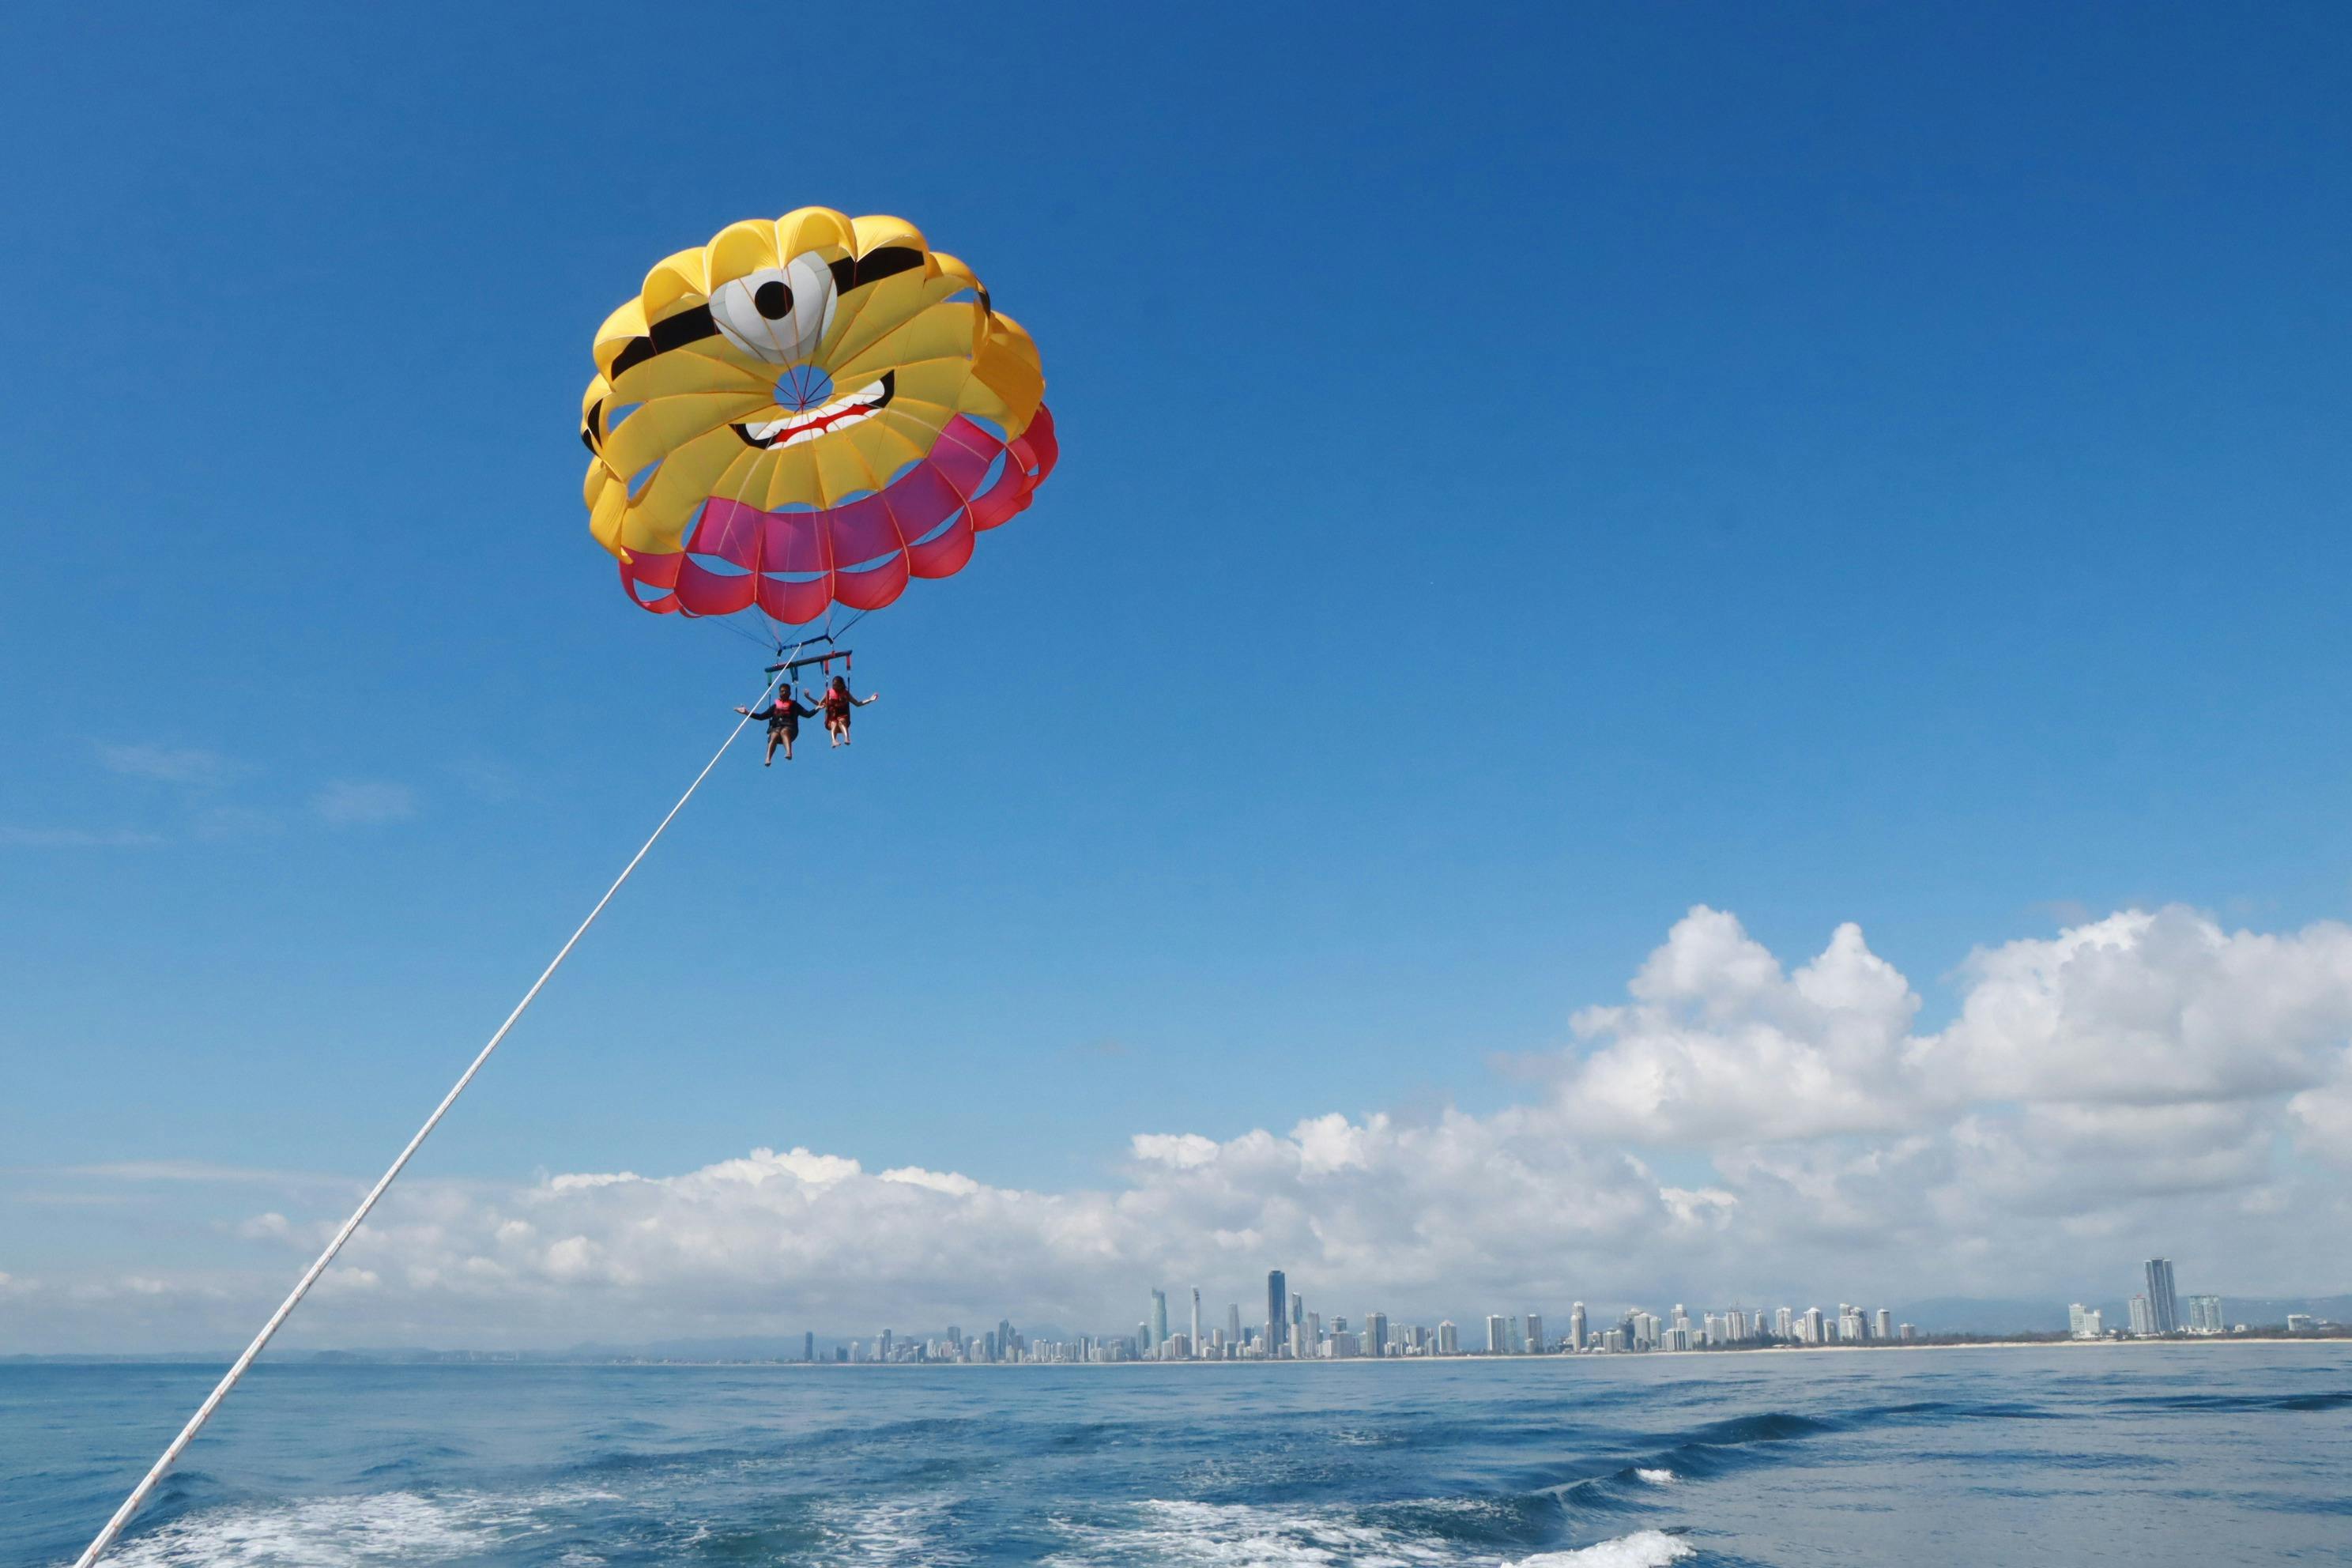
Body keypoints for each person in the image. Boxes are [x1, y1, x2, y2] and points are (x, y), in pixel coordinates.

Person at [736, 689, 818, 765]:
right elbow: (761, 716)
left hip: (791, 731)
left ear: (789, 694)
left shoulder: (794, 705)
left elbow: (807, 714)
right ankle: (768, 758)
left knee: (784, 731)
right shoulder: (775, 707)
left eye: (786, 692)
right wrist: (747, 713)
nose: (784, 694)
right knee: (774, 734)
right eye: (782, 692)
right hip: (776, 730)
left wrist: (817, 709)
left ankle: (789, 752)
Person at [816, 674, 879, 746]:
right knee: (834, 723)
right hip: (832, 717)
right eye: (834, 685)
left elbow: (857, 704)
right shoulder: (829, 693)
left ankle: (846, 738)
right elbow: (820, 703)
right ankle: (834, 741)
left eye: (837, 685)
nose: (835, 687)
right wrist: (818, 705)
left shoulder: (846, 693)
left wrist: (870, 700)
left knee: (841, 721)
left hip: (842, 715)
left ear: (841, 685)